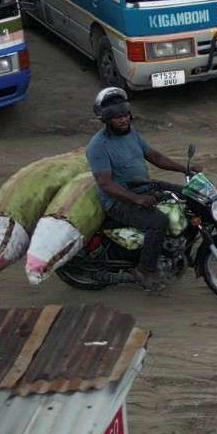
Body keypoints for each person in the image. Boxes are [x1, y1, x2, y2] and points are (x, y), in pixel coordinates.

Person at [87, 87, 191, 291]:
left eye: (126, 114)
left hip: (142, 186)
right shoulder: (98, 146)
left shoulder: (131, 133)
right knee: (158, 221)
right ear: (106, 119)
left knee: (185, 194)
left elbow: (155, 156)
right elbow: (105, 184)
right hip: (118, 201)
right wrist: (136, 199)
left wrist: (185, 169)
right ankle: (144, 270)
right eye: (118, 117)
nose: (124, 120)